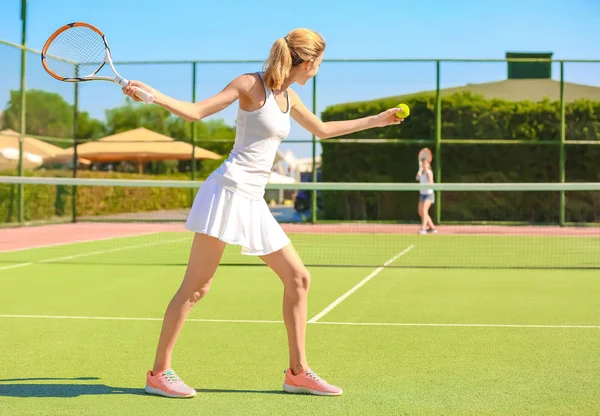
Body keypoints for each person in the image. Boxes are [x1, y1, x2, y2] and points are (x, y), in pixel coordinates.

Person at [122, 28, 405, 399]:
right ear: (310, 61)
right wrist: (152, 95)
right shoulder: (249, 85)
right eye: (320, 62)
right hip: (226, 193)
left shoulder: (289, 97)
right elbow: (195, 113)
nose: (319, 68)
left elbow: (321, 129)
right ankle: (159, 372)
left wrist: (375, 121)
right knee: (196, 289)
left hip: (254, 201)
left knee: (298, 279)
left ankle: (298, 372)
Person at [416, 158, 437, 234]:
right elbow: (417, 178)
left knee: (424, 211)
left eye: (425, 164)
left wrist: (428, 183)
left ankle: (423, 229)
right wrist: (419, 172)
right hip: (422, 194)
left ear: (428, 164)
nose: (424, 165)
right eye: (422, 164)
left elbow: (431, 183)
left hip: (429, 195)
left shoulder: (429, 172)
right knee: (420, 212)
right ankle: (432, 228)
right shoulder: (421, 172)